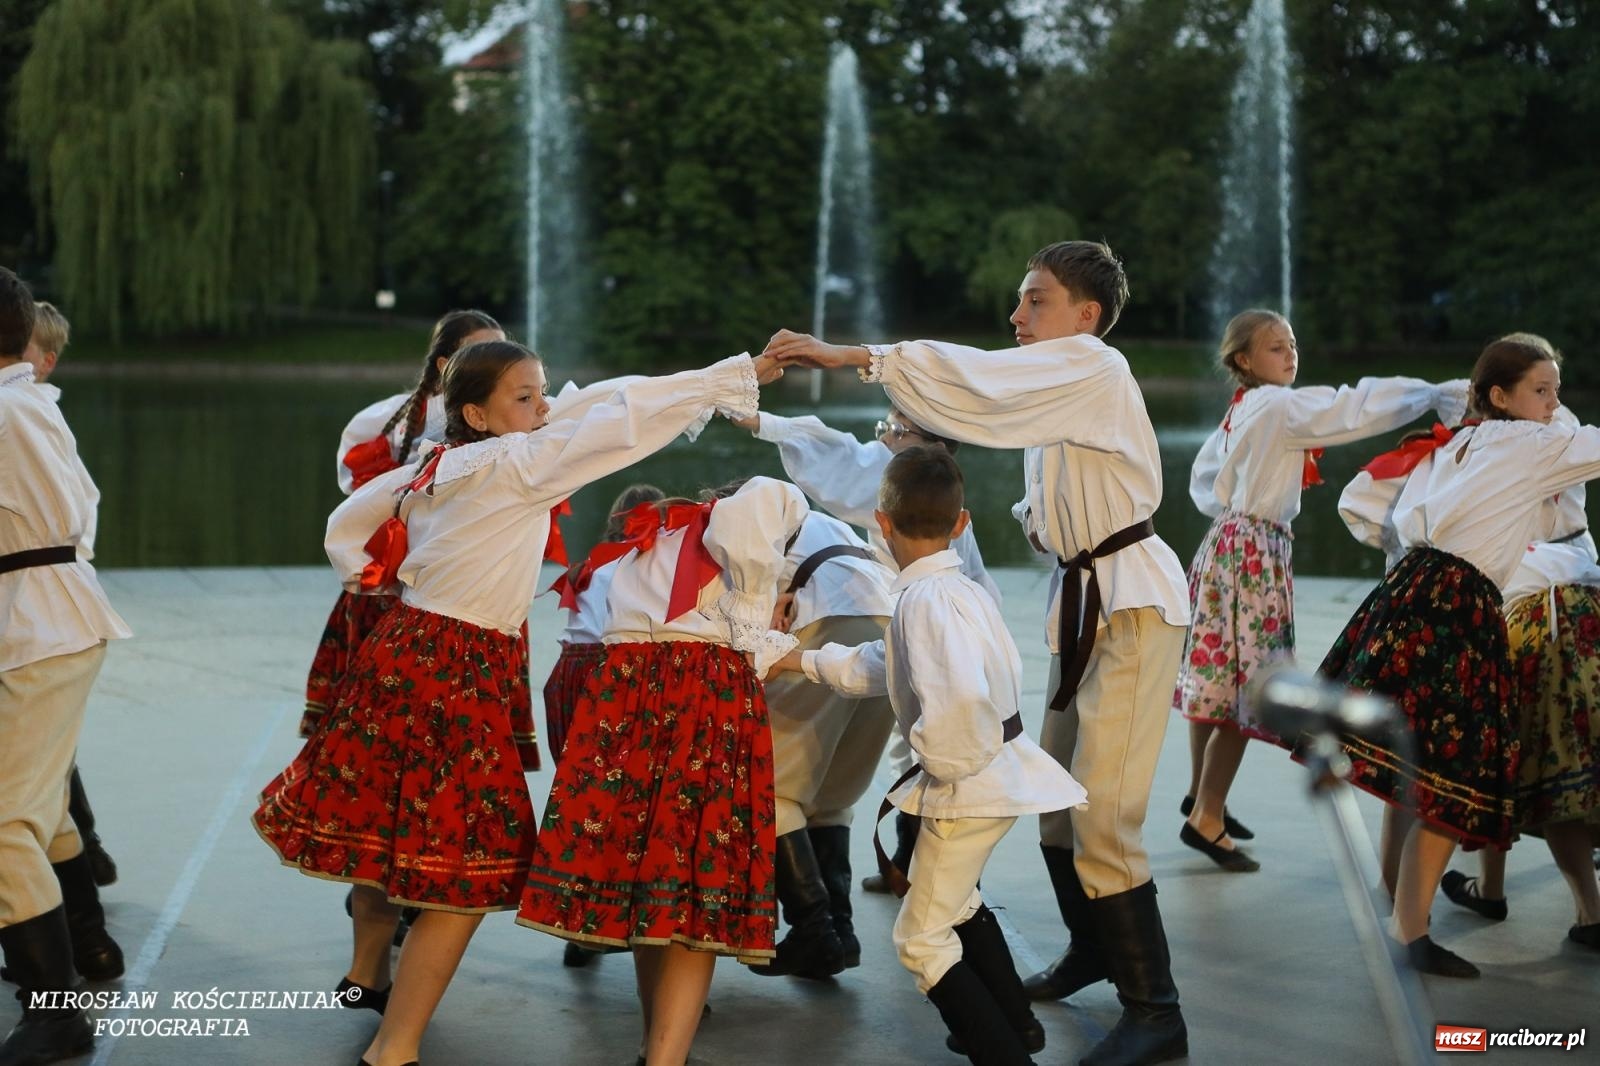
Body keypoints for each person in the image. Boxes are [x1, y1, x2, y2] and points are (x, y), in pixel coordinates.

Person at [254, 340, 776, 1066]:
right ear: (478, 413)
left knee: (420, 846)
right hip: (454, 665)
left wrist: (363, 572)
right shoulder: (516, 466)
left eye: (539, 392)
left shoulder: (446, 460)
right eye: (525, 398)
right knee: (465, 866)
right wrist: (730, 380)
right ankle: (391, 1049)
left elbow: (353, 517)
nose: (544, 407)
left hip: (417, 649)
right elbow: (619, 423)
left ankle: (385, 1021)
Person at [766, 240, 1189, 1066]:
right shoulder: (1059, 392)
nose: (1016, 316)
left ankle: (1157, 1012)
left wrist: (852, 356)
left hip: (1131, 603)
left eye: (1035, 301)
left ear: (1086, 317)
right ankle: (1095, 951)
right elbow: (977, 407)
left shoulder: (1095, 369)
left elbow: (978, 382)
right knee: (1063, 815)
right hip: (1087, 602)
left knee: (1106, 818)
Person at [773, 445, 1086, 1066]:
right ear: (961, 522)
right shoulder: (961, 590)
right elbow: (880, 668)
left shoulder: (921, 604)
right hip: (997, 772)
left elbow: (956, 706)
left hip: (968, 784)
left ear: (879, 523)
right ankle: (1016, 1026)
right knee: (958, 900)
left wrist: (937, 778)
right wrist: (797, 659)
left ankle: (1006, 1052)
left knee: (920, 940)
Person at [1326, 332, 1600, 977]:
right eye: (1541, 390)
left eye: (1557, 390)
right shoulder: (1535, 444)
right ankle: (1409, 929)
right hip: (1457, 604)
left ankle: (1406, 920)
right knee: (1457, 777)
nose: (1552, 403)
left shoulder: (1462, 443)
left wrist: (1527, 403)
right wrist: (1553, 417)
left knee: (1427, 769)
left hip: (1411, 591)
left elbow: (1388, 520)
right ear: (1501, 395)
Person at [518, 476, 807, 1066]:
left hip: (620, 698)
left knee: (646, 884)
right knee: (693, 895)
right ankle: (664, 1057)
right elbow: (748, 636)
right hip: (702, 702)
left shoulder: (653, 539)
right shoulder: (748, 531)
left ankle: (657, 1047)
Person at [1174, 309, 1467, 872]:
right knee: (1251, 688)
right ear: (1243, 361)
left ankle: (1201, 796)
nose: (1291, 356)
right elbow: (1353, 405)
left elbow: (1205, 480)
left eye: (1292, 345)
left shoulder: (1244, 406)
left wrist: (1237, 512)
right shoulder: (1279, 406)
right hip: (1253, 549)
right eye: (1276, 348)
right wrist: (1430, 393)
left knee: (1219, 683)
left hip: (1228, 542)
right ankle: (1206, 817)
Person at [0, 267, 132, 1066]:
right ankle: (86, 948)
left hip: (36, 626)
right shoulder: (28, 403)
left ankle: (55, 1014)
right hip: (50, 616)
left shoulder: (8, 409)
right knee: (38, 812)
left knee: (4, 822)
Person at [748, 502, 895, 977]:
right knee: (831, 792)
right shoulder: (817, 520)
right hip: (889, 631)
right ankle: (842, 932)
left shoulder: (744, 517)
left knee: (773, 788)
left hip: (829, 623)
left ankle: (815, 932)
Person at [541, 480, 665, 970]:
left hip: (568, 673)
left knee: (581, 803)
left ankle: (580, 930)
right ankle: (644, 938)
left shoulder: (593, 560)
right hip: (612, 675)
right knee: (631, 807)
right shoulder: (645, 564)